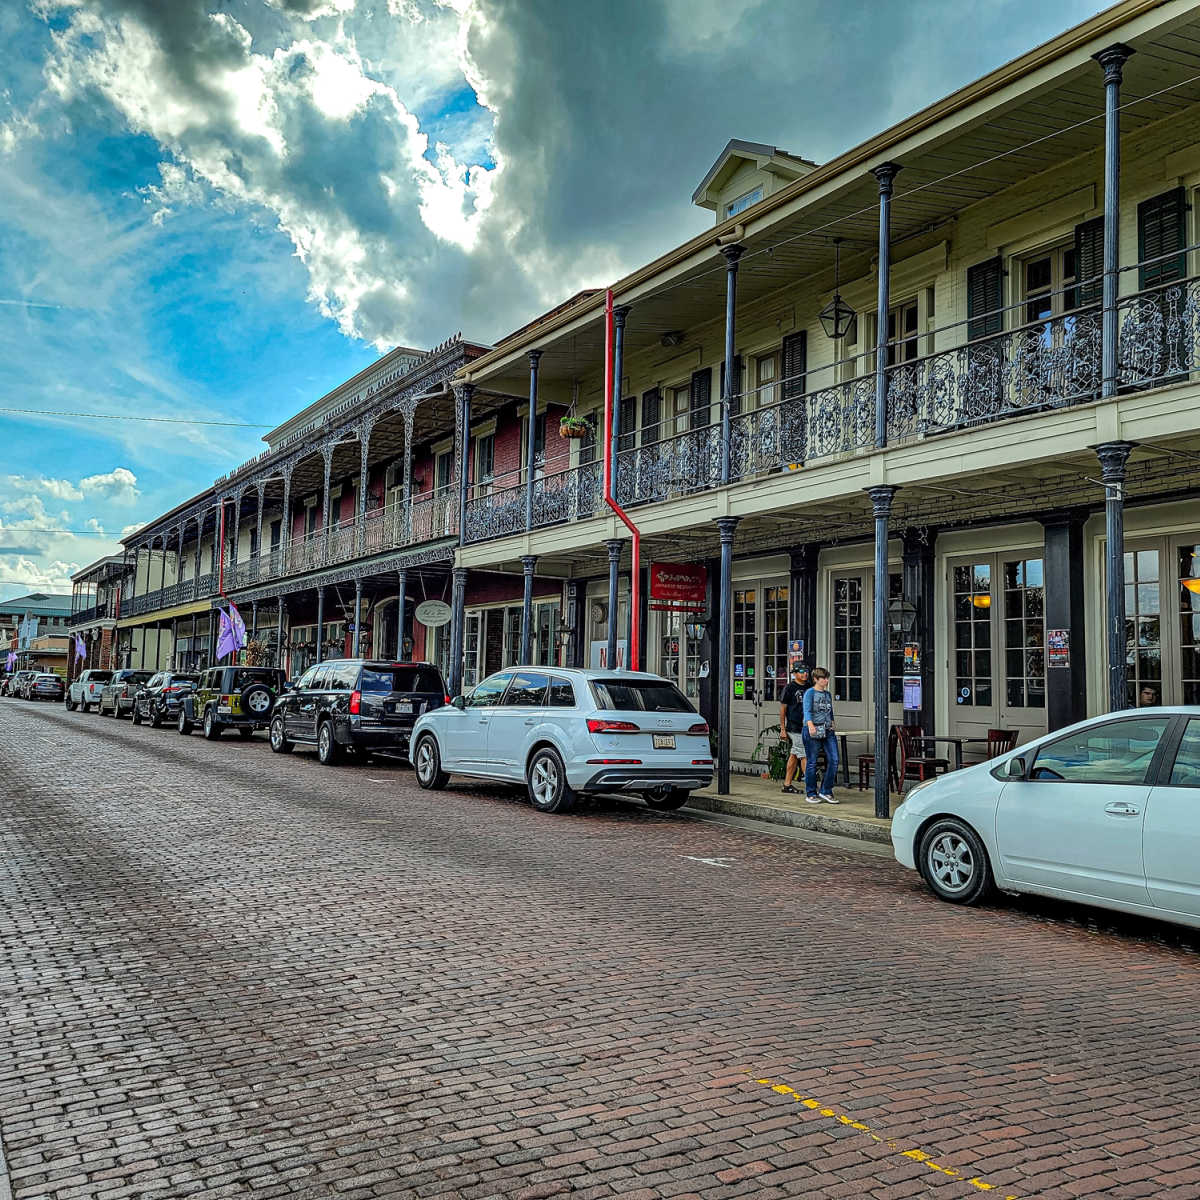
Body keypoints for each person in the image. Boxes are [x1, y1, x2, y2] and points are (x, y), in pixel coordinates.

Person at [802, 667, 839, 804]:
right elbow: (807, 710)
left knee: (834, 759)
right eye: (823, 678)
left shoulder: (828, 695)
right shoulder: (810, 693)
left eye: (827, 678)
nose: (826, 680)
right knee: (812, 761)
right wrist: (810, 725)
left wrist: (832, 722)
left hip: (828, 729)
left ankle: (825, 790)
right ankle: (811, 792)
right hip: (813, 728)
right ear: (816, 679)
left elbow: (830, 710)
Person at [777, 664, 809, 794]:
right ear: (795, 673)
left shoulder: (809, 687)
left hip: (806, 725)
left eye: (806, 671)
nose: (804, 674)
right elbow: (783, 709)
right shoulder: (789, 688)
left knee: (794, 755)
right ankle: (810, 785)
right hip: (794, 726)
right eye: (801, 671)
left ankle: (787, 784)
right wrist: (783, 728)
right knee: (804, 755)